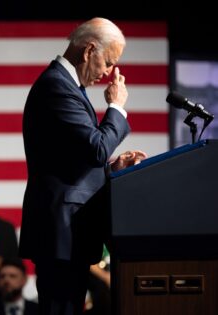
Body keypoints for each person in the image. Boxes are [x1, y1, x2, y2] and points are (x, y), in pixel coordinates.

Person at [18, 17, 147, 315]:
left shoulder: (67, 87)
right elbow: (96, 148)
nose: (108, 72)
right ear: (89, 50)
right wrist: (116, 107)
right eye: (108, 61)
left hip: (68, 233)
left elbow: (76, 159)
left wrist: (111, 168)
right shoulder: (56, 87)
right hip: (62, 233)